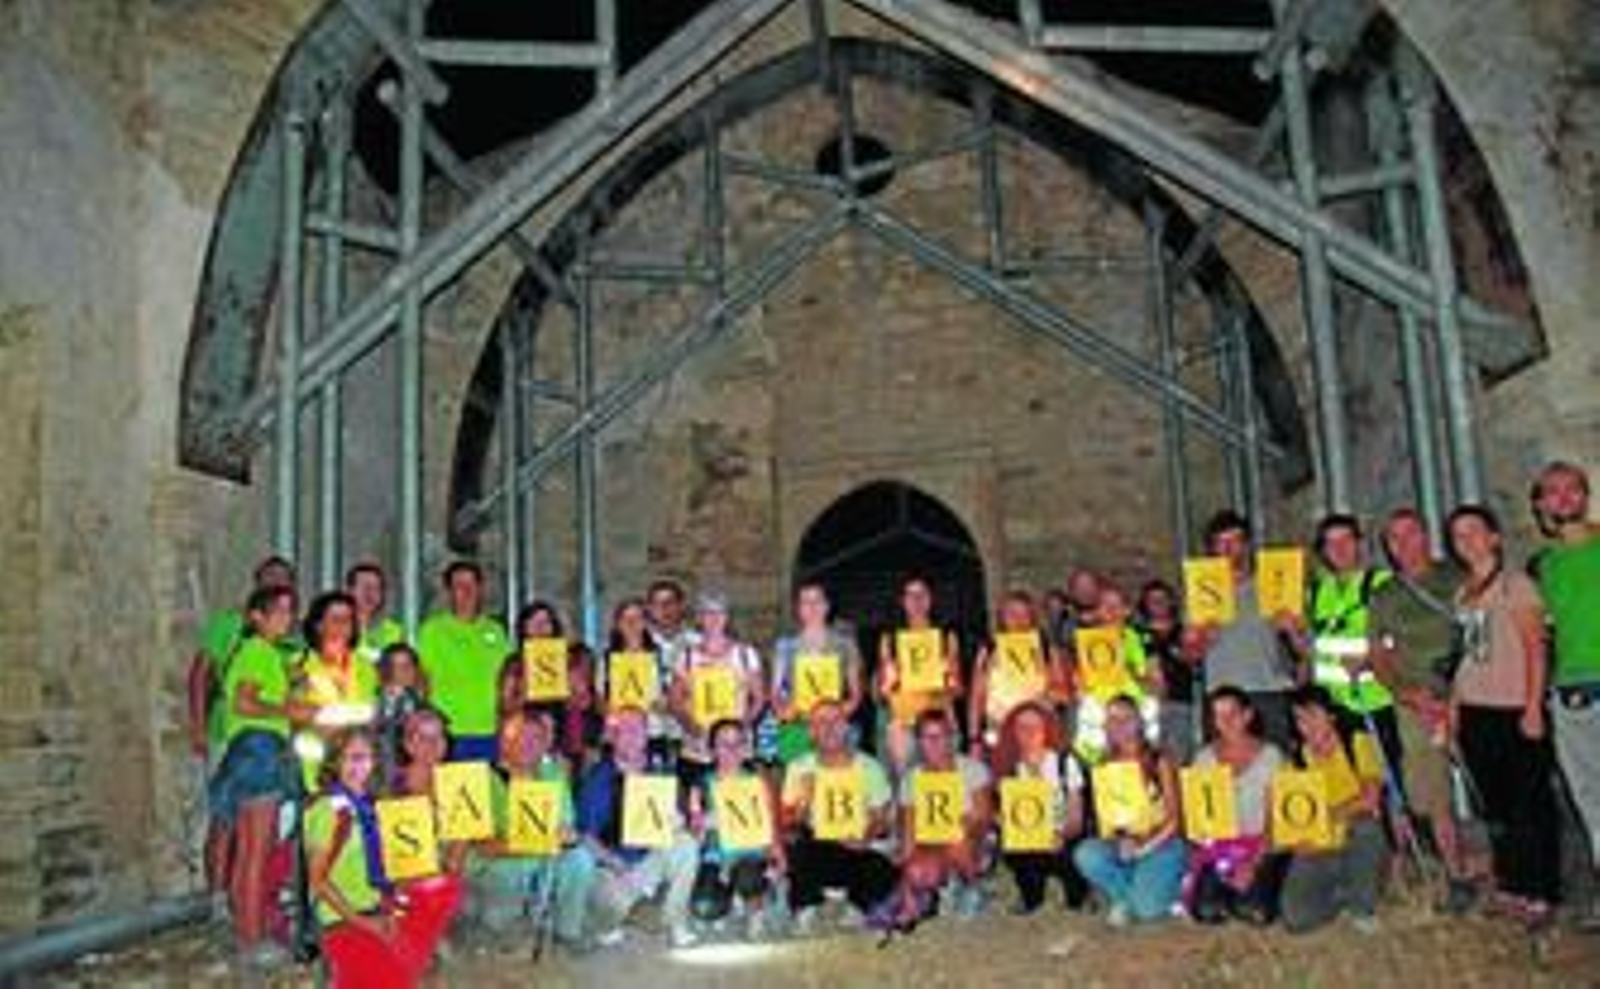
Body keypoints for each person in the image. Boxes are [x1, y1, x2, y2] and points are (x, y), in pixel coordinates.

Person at [1447, 504, 1559, 927]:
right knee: (1497, 808)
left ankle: (1542, 892)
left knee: (1530, 805)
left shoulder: (1516, 586)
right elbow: (1468, 657)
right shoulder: (1464, 593)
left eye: (1474, 531)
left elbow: (1536, 648)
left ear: (1494, 536)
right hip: (1478, 712)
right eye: (1458, 535)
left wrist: (1533, 708)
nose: (1467, 541)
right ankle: (1512, 886)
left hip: (1514, 709)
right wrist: (1456, 707)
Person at [1368, 507, 1476, 912]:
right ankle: (1456, 871)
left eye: (1410, 534)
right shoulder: (1385, 595)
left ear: (1425, 535)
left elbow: (1480, 637)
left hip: (1472, 698)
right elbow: (1379, 656)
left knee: (1490, 783)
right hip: (1416, 704)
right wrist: (1408, 694)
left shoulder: (1457, 578)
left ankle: (1515, 875)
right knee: (1432, 795)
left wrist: (1458, 696)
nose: (1403, 544)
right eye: (1393, 538)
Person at [305, 728, 461, 989]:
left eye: (365, 757)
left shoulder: (373, 806)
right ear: (335, 762)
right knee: (393, 979)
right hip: (344, 918)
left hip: (380, 907)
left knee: (443, 887)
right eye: (349, 758)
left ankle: (398, 958)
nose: (358, 765)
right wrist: (364, 922)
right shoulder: (329, 809)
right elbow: (317, 881)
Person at [207, 584, 311, 968]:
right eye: (280, 611)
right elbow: (245, 701)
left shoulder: (265, 655)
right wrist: (289, 710)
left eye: (291, 610)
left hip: (254, 750)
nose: (289, 618)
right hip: (260, 750)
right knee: (255, 853)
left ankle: (248, 933)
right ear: (256, 616)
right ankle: (251, 942)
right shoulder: (257, 650)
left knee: (253, 851)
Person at [1530, 461, 1600, 920]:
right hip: (1571, 693)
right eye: (1552, 492)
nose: (1563, 498)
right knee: (1592, 802)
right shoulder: (1542, 567)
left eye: (1571, 489)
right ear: (1539, 506)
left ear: (1586, 495)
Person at [463, 705, 594, 948]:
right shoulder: (481, 779)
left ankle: (567, 931)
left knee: (580, 860)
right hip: (495, 861)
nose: (528, 744)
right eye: (519, 737)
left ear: (545, 744)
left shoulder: (553, 774)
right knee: (517, 866)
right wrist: (528, 845)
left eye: (536, 738)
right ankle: (499, 923)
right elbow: (480, 845)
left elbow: (566, 826)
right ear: (504, 742)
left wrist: (565, 836)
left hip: (540, 854)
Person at [571, 708, 700, 948]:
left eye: (637, 729)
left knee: (686, 845)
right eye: (623, 730)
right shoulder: (598, 778)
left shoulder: (661, 770)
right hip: (613, 865)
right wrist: (616, 864)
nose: (631, 735)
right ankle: (612, 921)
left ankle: (674, 919)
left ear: (647, 734)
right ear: (612, 736)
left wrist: (680, 821)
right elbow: (585, 836)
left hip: (651, 860)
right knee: (613, 905)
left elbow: (677, 821)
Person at [1183, 511, 1302, 747]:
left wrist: (1292, 629)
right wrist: (1203, 639)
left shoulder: (1274, 583)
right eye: (1221, 542)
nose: (1228, 549)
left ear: (1247, 545)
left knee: (1276, 772)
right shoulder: (1200, 594)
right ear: (1212, 549)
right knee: (1225, 776)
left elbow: (1302, 647)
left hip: (1269, 692)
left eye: (1235, 540)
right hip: (1222, 696)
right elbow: (1190, 657)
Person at [780, 700, 899, 931]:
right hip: (818, 847)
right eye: (821, 722)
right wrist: (804, 804)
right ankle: (807, 903)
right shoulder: (799, 767)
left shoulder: (869, 766)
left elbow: (882, 818)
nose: (829, 728)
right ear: (811, 732)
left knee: (882, 868)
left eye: (835, 720)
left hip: (857, 848)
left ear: (847, 727)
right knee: (795, 844)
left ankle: (857, 903)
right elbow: (786, 820)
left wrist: (865, 836)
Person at [1278, 686, 1385, 935]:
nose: (1307, 724)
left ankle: (1362, 907)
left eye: (1313, 714)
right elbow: (1291, 818)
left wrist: (1327, 816)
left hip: (1353, 841)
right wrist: (1297, 841)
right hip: (1319, 847)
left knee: (1365, 826)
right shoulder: (1294, 760)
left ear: (1332, 715)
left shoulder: (1357, 743)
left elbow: (1370, 799)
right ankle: (1343, 895)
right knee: (1295, 919)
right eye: (1300, 718)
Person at [1072, 696, 1187, 926]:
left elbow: (1175, 820)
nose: (1119, 725)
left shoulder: (1159, 761)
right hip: (1126, 842)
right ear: (1104, 726)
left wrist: (1143, 848)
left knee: (1147, 911)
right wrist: (1121, 841)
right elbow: (1108, 821)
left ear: (1140, 723)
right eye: (1112, 719)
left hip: (1162, 842)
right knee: (1085, 853)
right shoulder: (1103, 764)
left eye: (1126, 718)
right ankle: (1127, 895)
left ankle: (1163, 888)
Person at [1304, 514, 1399, 770]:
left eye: (1346, 540)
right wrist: (1292, 631)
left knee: (1390, 781)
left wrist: (1369, 661)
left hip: (1377, 701)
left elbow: (1399, 639)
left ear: (1360, 543)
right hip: (1335, 708)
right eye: (1331, 543)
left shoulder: (1382, 583)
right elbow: (1310, 648)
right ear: (1323, 551)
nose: (1340, 549)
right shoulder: (1317, 592)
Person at [1187, 687, 1287, 925]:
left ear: (1247, 716)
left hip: (1262, 846)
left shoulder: (1272, 756)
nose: (1226, 721)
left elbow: (1277, 819)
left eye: (1232, 713)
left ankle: (1262, 884)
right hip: (1221, 847)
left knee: (1255, 914)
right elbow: (1200, 821)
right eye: (1218, 715)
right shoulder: (1203, 759)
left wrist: (1252, 863)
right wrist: (1227, 862)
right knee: (1207, 912)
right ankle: (1225, 887)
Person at [189, 555, 297, 766]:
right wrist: (198, 727)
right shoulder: (228, 623)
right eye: (270, 576)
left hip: (278, 737)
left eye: (283, 578)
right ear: (257, 584)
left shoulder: (294, 637)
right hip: (228, 730)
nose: (276, 581)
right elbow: (200, 673)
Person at [686, 719, 786, 939]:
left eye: (738, 743)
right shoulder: (701, 784)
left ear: (746, 748)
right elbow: (694, 830)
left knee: (748, 878)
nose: (731, 750)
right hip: (717, 856)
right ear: (712, 749)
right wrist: (703, 822)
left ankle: (758, 900)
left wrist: (778, 856)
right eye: (724, 743)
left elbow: (772, 823)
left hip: (751, 854)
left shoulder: (759, 781)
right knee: (704, 908)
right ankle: (732, 897)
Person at [990, 699, 1088, 914]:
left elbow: (1077, 818)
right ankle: (1032, 896)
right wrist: (1001, 821)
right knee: (1016, 853)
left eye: (1035, 726)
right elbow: (1001, 812)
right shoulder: (1009, 768)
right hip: (1028, 839)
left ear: (1047, 728)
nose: (1029, 733)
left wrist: (1063, 835)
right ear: (1012, 732)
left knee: (1073, 884)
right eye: (1022, 727)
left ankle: (1076, 893)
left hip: (1062, 837)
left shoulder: (1065, 762)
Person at [896, 709, 992, 921]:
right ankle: (945, 884)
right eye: (926, 737)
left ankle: (974, 886)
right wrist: (907, 890)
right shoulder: (911, 779)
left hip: (972, 842)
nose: (934, 743)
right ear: (918, 741)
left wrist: (966, 826)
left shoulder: (973, 769)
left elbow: (985, 820)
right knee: (917, 872)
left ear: (951, 739)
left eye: (940, 736)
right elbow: (908, 833)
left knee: (959, 842)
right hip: (931, 843)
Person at [417, 561, 510, 762]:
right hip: (450, 733)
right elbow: (422, 681)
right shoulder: (432, 631)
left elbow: (507, 682)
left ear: (481, 589)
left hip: (491, 732)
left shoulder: (496, 631)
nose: (466, 591)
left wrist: (506, 726)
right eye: (459, 586)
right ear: (449, 592)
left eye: (472, 585)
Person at [671, 592, 765, 787]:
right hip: (697, 748)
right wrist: (691, 726)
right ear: (699, 618)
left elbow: (759, 698)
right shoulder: (686, 657)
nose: (714, 618)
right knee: (697, 804)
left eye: (719, 612)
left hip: (736, 748)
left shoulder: (746, 654)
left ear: (727, 617)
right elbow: (675, 700)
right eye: (707, 613)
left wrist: (742, 727)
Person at [770, 582, 866, 766]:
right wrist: (783, 710)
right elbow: (775, 693)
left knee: (838, 780)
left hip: (836, 726)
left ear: (826, 606)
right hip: (798, 725)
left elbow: (856, 694)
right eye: (805, 602)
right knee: (799, 787)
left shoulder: (845, 645)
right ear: (798, 609)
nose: (812, 607)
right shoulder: (785, 646)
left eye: (817, 601)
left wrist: (837, 714)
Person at [292, 591, 380, 790]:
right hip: (313, 768)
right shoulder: (298, 665)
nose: (343, 625)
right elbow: (295, 718)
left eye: (348, 619)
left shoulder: (366, 666)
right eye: (335, 618)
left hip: (358, 770)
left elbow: (370, 715)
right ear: (318, 625)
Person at [877, 576, 963, 775]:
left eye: (922, 594)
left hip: (941, 722)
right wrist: (890, 679)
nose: (916, 600)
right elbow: (882, 694)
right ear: (903, 601)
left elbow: (958, 690)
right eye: (910, 595)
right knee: (908, 788)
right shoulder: (889, 638)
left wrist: (948, 680)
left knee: (944, 783)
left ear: (930, 599)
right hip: (904, 725)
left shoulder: (946, 636)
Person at [1072, 583, 1161, 764]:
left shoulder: (1144, 640)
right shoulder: (1084, 642)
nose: (1111, 611)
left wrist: (1131, 671)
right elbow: (1078, 691)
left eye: (1117, 605)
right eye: (1105, 606)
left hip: (1136, 730)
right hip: (1097, 731)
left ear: (1127, 610)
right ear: (1096, 612)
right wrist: (1079, 685)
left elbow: (1158, 688)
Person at [967, 590, 1065, 754]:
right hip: (999, 730)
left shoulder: (1046, 647)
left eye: (1024, 614)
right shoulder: (989, 649)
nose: (1018, 620)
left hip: (1039, 730)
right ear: (1002, 618)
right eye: (1012, 613)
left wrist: (1047, 700)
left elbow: (1062, 690)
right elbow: (976, 697)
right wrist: (974, 738)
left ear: (1032, 618)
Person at [599, 597, 676, 765]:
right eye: (626, 619)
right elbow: (599, 699)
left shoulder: (660, 656)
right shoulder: (607, 658)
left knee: (651, 787)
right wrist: (611, 711)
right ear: (617, 624)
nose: (632, 623)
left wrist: (664, 704)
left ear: (645, 623)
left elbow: (673, 695)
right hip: (618, 735)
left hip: (653, 732)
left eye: (637, 618)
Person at [1137, 580, 1199, 763]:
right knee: (1149, 759)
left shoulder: (1185, 631)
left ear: (1171, 602)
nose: (1158, 604)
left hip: (1181, 703)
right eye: (1152, 599)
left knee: (1179, 760)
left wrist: (1188, 654)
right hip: (1147, 706)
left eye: (1162, 599)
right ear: (1144, 604)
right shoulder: (1137, 634)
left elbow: (1197, 663)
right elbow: (1129, 667)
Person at [374, 644, 426, 792]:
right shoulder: (378, 703)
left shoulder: (417, 701)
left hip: (414, 779)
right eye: (398, 666)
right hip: (387, 779)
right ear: (387, 670)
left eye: (409, 664)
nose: (406, 670)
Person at [346, 563, 405, 666]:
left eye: (376, 588)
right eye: (365, 587)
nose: (370, 593)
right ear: (350, 591)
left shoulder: (394, 631)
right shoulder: (333, 629)